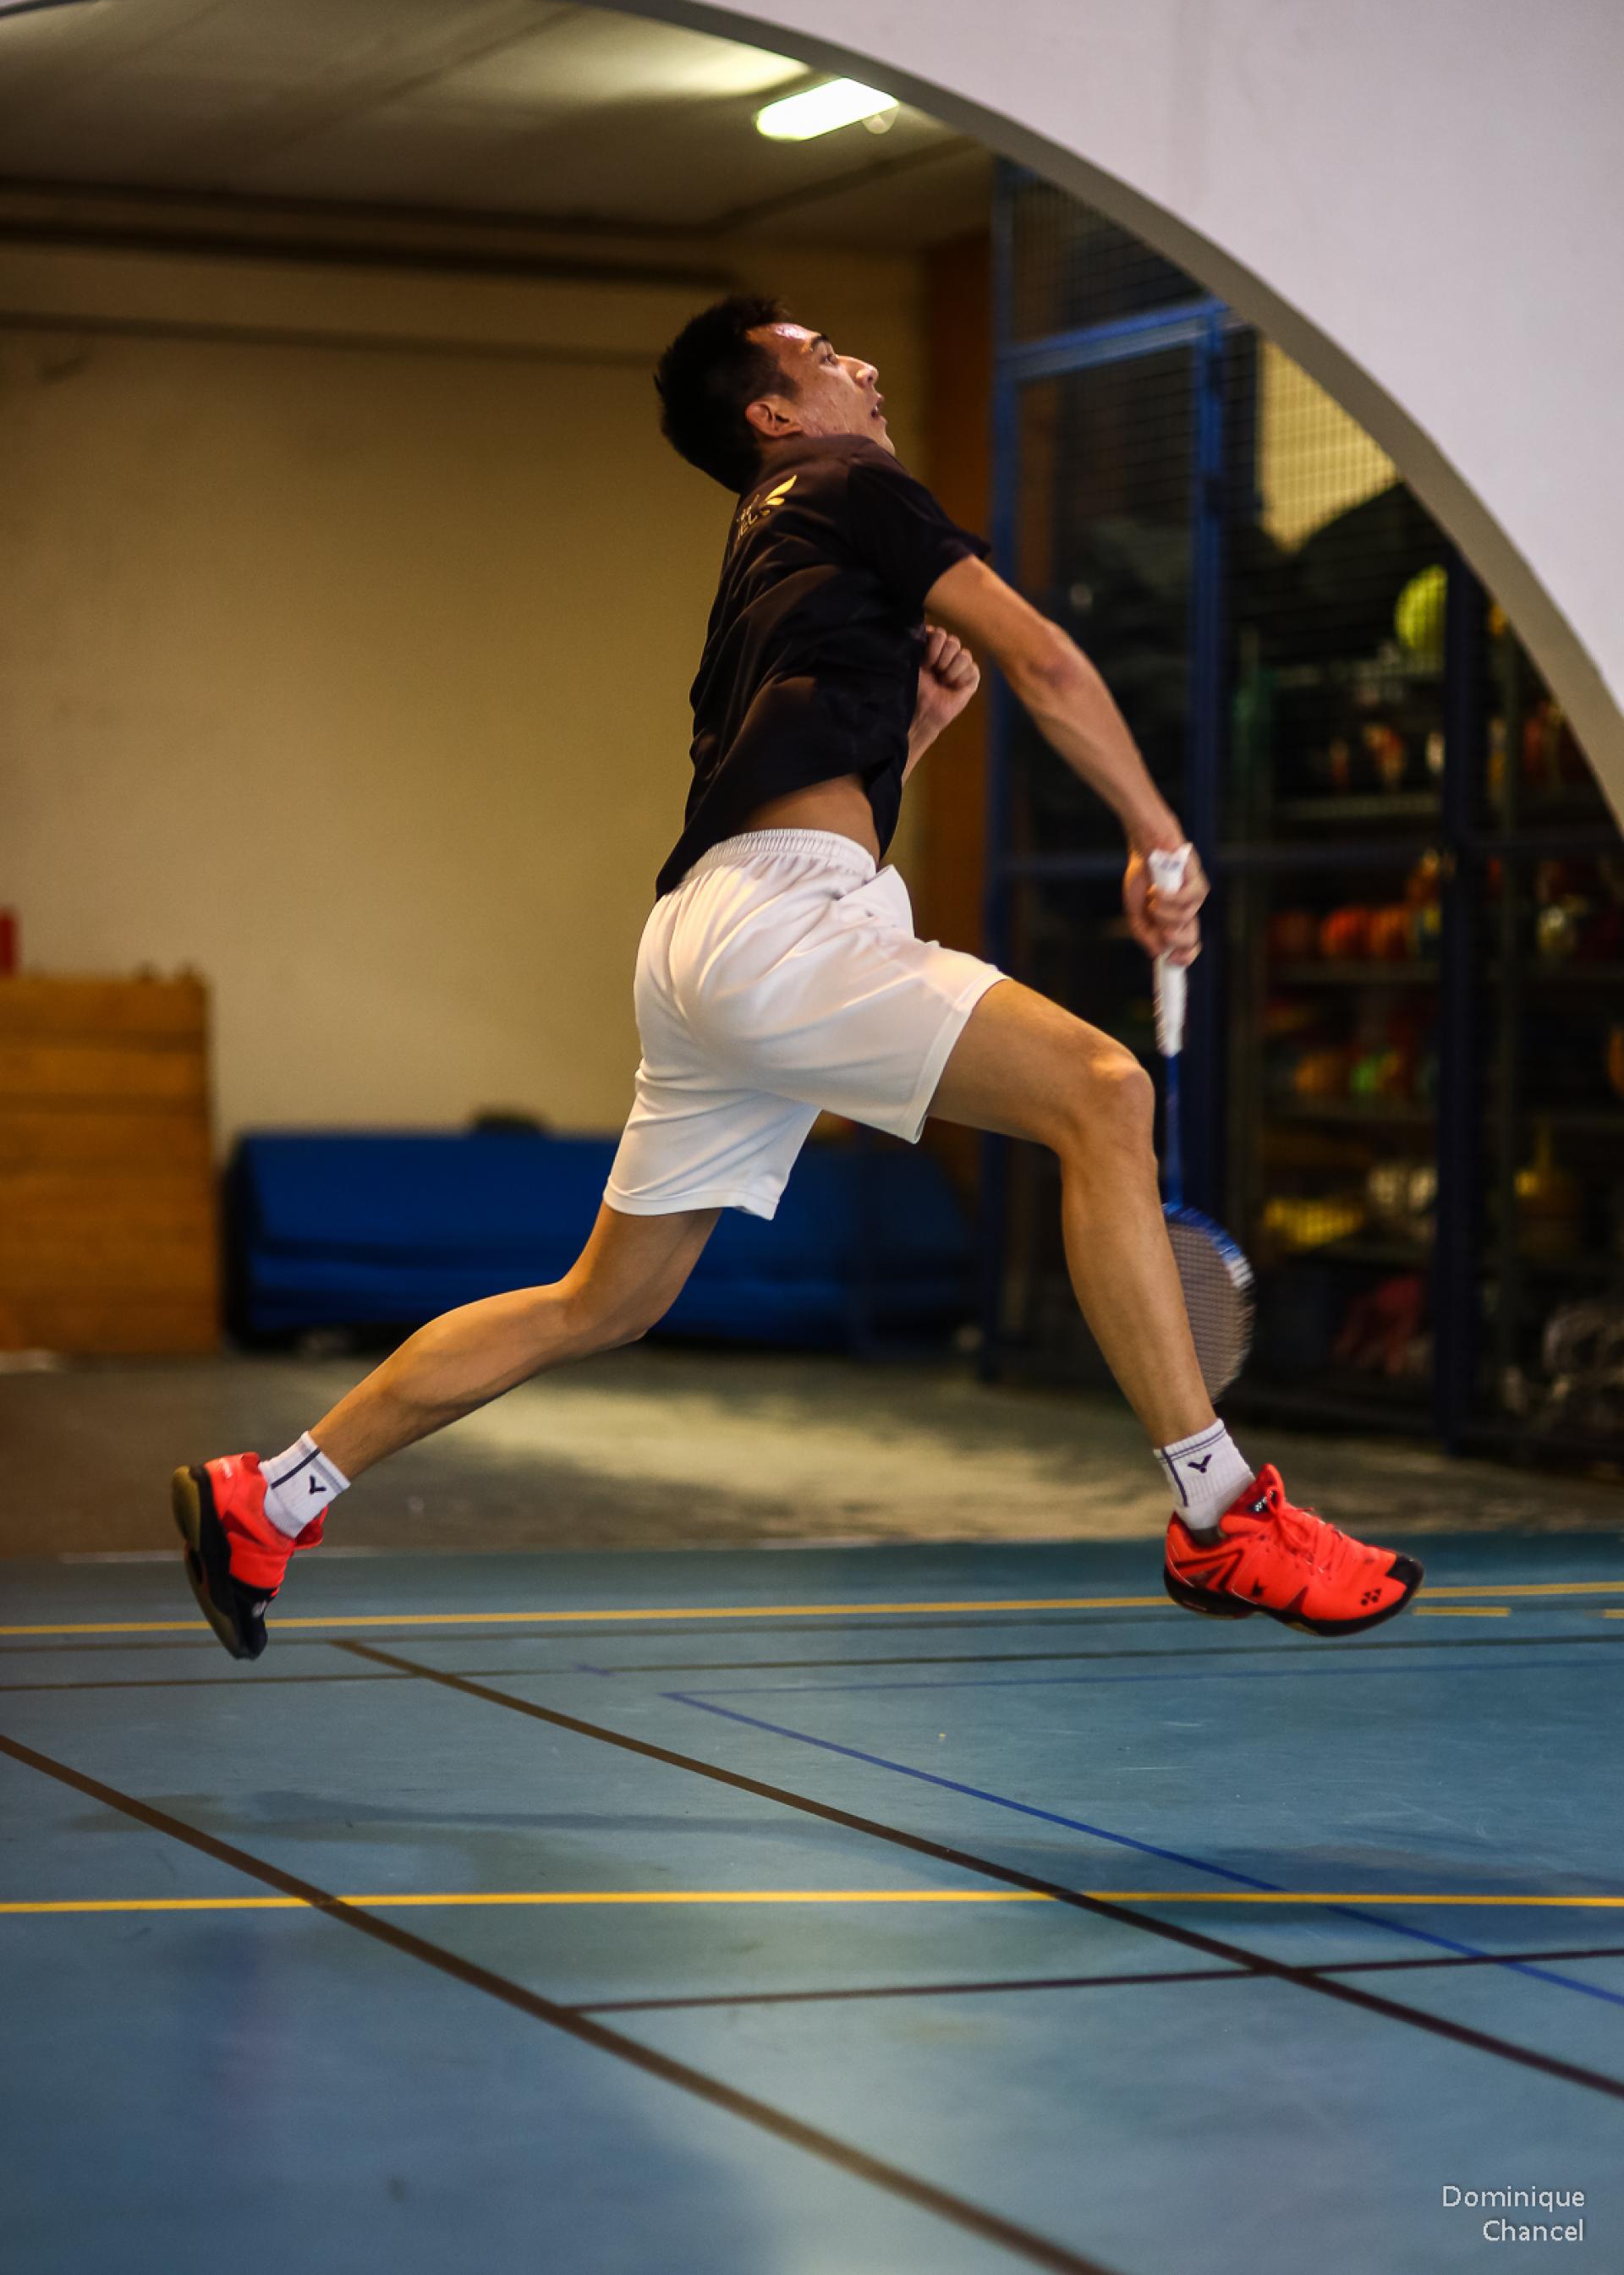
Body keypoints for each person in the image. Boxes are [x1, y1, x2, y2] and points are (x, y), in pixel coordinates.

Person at [173, 295, 1421, 1660]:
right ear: (774, 414)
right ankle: (1220, 1512)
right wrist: (1159, 838)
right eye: (824, 357)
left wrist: (914, 731)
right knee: (1103, 1090)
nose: (863, 365)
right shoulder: (847, 479)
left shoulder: (768, 546)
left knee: (603, 1301)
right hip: (780, 931)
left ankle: (268, 1495)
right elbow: (1047, 658)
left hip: (705, 938)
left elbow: (787, 789)